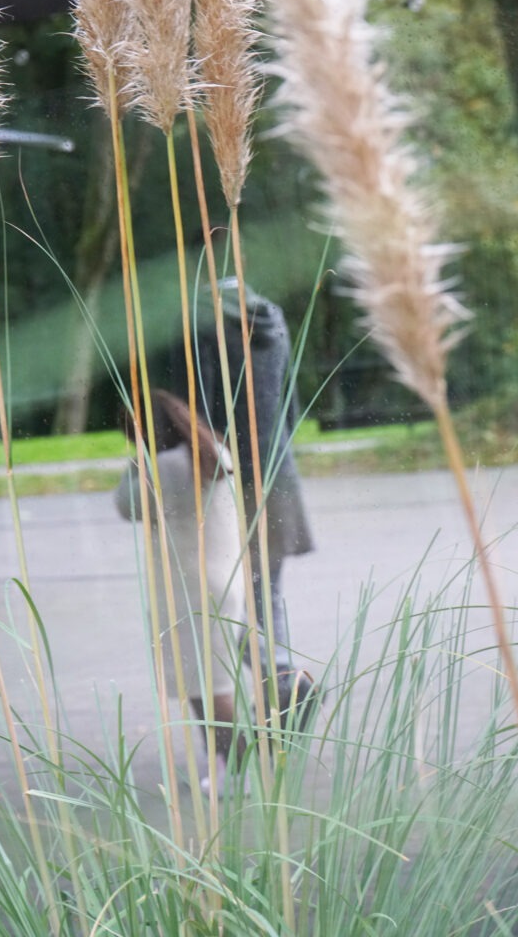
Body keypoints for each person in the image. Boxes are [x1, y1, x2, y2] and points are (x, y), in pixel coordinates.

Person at [167, 276, 320, 729]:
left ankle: (286, 682)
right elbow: (290, 401)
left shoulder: (199, 319)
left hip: (230, 481)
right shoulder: (269, 313)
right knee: (264, 598)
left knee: (226, 607)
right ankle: (285, 684)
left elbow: (201, 416)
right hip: (278, 471)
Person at [115, 389, 247, 786]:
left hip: (191, 587)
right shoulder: (210, 453)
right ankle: (230, 764)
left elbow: (127, 505)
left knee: (207, 686)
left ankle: (238, 766)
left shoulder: (166, 466)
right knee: (210, 680)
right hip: (220, 580)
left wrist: (135, 462)